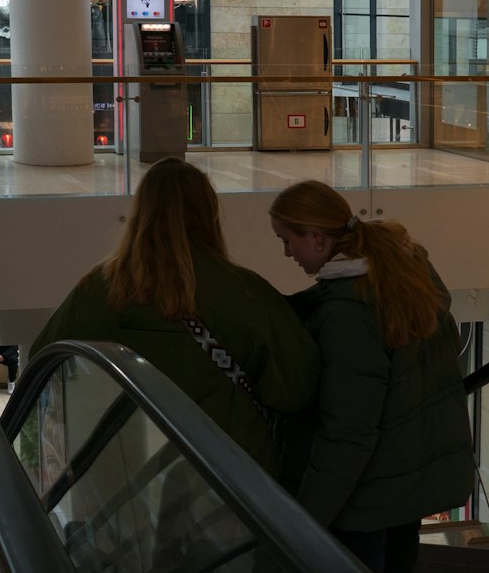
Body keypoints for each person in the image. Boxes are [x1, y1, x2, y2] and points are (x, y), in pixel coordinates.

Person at [31, 157, 318, 472]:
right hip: (231, 476)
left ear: (140, 214)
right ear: (208, 215)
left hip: (125, 473)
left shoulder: (97, 290)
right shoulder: (245, 292)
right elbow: (296, 387)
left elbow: (43, 361)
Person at [268, 181, 476, 573]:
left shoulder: (348, 314)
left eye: (288, 241)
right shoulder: (401, 272)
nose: (287, 253)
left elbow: (347, 432)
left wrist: (304, 518)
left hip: (366, 498)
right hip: (406, 484)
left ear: (317, 237)